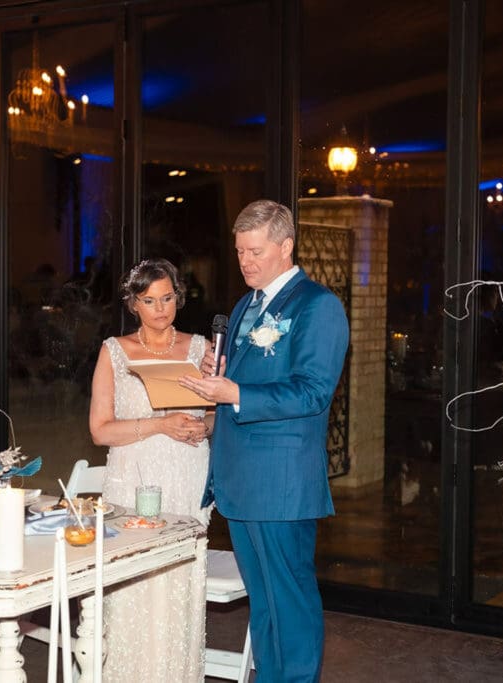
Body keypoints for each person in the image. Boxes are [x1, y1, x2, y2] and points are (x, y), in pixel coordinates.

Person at [180, 199, 349, 682]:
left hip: (281, 482)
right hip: (240, 478)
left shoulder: (318, 305)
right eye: (240, 252)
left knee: (290, 601)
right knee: (265, 603)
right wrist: (221, 376)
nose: (246, 262)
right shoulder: (245, 305)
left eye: (255, 251)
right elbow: (250, 378)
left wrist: (235, 390)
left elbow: (314, 391)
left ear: (286, 246)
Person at [88, 257, 212, 682]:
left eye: (168, 298)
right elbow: (100, 430)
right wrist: (161, 423)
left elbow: (221, 415)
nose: (161, 308)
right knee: (132, 588)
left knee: (177, 586)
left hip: (186, 479)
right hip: (133, 480)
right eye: (149, 300)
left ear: (178, 297)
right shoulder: (114, 351)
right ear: (133, 303)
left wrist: (203, 425)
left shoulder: (201, 349)